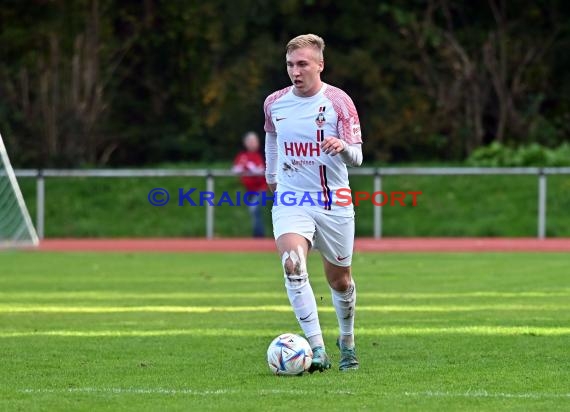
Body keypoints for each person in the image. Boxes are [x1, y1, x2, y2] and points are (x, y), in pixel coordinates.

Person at [263, 34, 363, 372]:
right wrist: (272, 179)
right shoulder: (274, 102)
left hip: (334, 200)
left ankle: (346, 339)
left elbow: (358, 157)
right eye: (290, 64)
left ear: (319, 64)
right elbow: (272, 138)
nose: (295, 70)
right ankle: (317, 348)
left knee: (341, 281)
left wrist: (342, 147)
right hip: (292, 199)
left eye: (302, 63)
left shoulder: (339, 102)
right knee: (293, 266)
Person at [232, 131, 267, 237]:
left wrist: (252, 168)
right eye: (250, 141)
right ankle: (257, 234)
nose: (252, 143)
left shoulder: (263, 154)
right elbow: (236, 169)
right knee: (255, 212)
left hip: (261, 188)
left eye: (254, 141)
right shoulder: (242, 156)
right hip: (249, 190)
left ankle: (258, 235)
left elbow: (261, 170)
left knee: (254, 210)